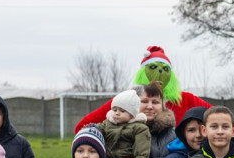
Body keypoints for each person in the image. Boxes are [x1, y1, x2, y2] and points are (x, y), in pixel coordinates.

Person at [75, 45, 211, 130]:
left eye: (165, 68)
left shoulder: (186, 99)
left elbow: (217, 117)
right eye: (153, 67)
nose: (159, 72)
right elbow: (82, 127)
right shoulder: (125, 99)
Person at [96, 88, 151, 158]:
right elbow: (98, 130)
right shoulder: (108, 123)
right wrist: (91, 128)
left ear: (132, 114)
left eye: (122, 111)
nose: (117, 113)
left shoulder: (139, 128)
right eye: (115, 109)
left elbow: (142, 145)